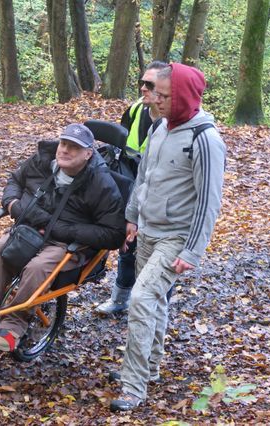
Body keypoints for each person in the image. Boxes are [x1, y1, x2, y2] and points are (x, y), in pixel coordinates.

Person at [109, 63, 227, 412]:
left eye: (162, 95)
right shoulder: (159, 126)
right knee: (156, 302)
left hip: (176, 236)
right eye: (154, 94)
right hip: (148, 230)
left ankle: (133, 386)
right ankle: (151, 367)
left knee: (142, 299)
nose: (153, 101)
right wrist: (132, 216)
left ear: (183, 96)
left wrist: (193, 251)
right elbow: (143, 176)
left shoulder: (205, 139)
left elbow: (209, 201)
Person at [0, 124, 126, 352]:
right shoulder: (42, 161)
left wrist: (61, 230)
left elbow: (113, 234)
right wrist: (11, 203)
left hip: (68, 243)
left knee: (38, 267)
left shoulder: (100, 183)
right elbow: (15, 180)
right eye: (63, 144)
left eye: (74, 147)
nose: (65, 150)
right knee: (1, 247)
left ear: (88, 154)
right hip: (29, 229)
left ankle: (15, 323)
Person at [96, 60, 168, 315]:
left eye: (150, 84)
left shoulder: (175, 120)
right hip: (132, 185)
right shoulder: (136, 110)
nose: (143, 88)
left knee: (159, 257)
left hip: (161, 197)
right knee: (128, 246)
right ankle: (120, 299)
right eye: (142, 83)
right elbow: (122, 147)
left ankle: (157, 309)